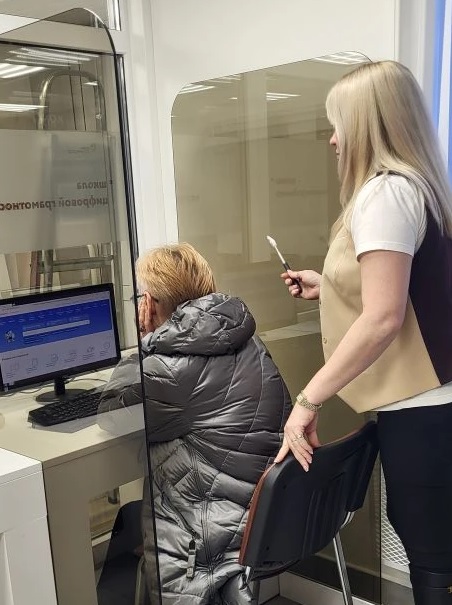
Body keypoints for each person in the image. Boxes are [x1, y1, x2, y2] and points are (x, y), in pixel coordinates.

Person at [275, 60, 452, 605]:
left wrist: (308, 400)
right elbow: (408, 292)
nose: (333, 140)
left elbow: (382, 318)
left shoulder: (384, 195)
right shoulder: (419, 188)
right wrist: (329, 286)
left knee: (433, 562)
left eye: (339, 125)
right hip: (435, 409)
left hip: (423, 415)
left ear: (368, 125)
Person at [98, 242, 291, 605]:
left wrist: (144, 344)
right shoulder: (243, 337)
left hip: (215, 533)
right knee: (129, 518)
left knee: (127, 529)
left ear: (149, 304)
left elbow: (111, 413)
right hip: (266, 513)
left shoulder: (169, 369)